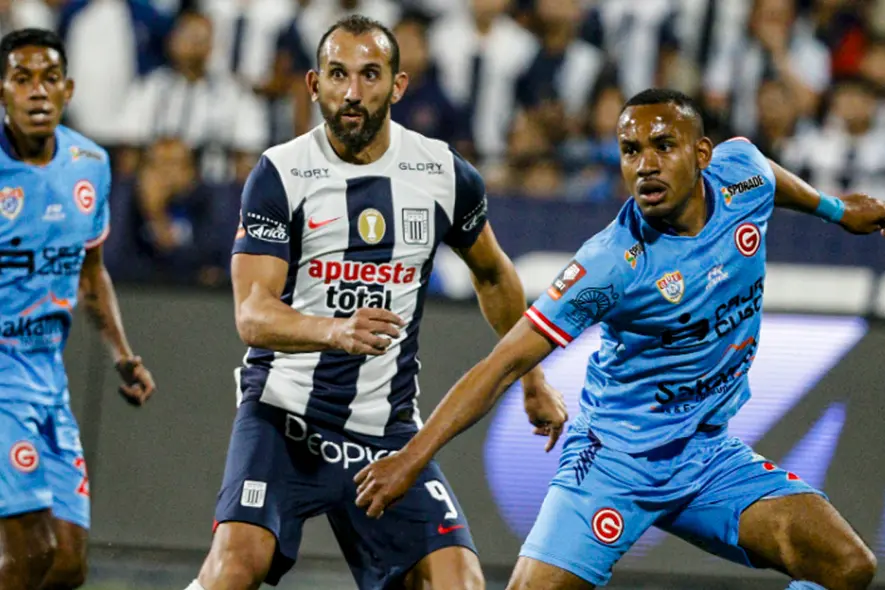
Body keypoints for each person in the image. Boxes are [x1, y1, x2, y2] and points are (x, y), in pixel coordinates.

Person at [355, 88, 885, 590]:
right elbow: (500, 364)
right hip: (613, 459)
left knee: (847, 566)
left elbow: (767, 173)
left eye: (664, 145)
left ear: (702, 154)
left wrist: (836, 210)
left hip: (705, 454)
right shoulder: (611, 264)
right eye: (630, 150)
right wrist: (410, 459)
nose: (645, 165)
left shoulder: (742, 175)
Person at [186, 15, 566, 590]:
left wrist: (532, 379)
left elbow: (493, 275)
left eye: (370, 75)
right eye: (338, 75)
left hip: (386, 434)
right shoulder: (280, 174)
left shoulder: (441, 173)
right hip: (286, 422)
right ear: (314, 85)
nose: (353, 92)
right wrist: (334, 331)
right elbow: (252, 314)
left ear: (398, 85)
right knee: (235, 567)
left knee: (460, 582)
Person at [0, 28, 156, 590]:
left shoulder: (90, 164)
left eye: (48, 79)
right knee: (28, 550)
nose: (37, 92)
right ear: (2, 92)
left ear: (68, 89)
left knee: (68, 564)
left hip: (49, 376)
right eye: (22, 79)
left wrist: (122, 354)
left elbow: (91, 276)